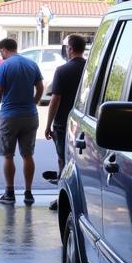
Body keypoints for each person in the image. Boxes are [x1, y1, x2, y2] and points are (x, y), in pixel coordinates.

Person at [0, 38, 43, 206]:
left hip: (9, 116)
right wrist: (33, 103)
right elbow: (40, 88)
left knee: (8, 155)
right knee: (28, 155)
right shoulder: (31, 64)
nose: (1, 56)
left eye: (0, 52)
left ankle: (9, 193)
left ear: (4, 50)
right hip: (30, 115)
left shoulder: (3, 67)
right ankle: (28, 193)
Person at [44, 34, 87, 211]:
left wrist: (48, 125)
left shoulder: (62, 71)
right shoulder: (91, 69)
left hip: (63, 123)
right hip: (85, 123)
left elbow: (55, 99)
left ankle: (63, 198)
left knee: (63, 160)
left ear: (69, 48)